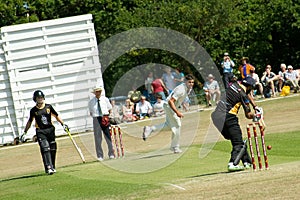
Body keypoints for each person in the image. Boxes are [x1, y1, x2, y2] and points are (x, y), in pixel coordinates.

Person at [211, 77, 262, 172]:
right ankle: (233, 163)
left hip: (216, 116)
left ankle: (247, 162)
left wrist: (255, 106)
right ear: (250, 87)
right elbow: (248, 115)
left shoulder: (233, 85)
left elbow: (246, 94)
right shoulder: (243, 95)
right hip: (228, 117)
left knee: (236, 139)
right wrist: (257, 115)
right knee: (238, 142)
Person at [142, 74, 195, 153]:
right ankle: (175, 147)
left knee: (169, 126)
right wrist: (177, 112)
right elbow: (171, 101)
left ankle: (150, 129)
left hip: (171, 106)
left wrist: (183, 105)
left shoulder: (188, 89)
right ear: (185, 82)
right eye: (189, 82)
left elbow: (180, 98)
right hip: (169, 106)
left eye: (192, 82)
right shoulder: (181, 89)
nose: (191, 84)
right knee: (177, 125)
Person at [22, 90, 68, 175]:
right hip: (40, 131)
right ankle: (48, 167)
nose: (40, 99)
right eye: (38, 98)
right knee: (45, 148)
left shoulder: (48, 107)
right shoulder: (33, 110)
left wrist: (63, 124)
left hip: (50, 129)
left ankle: (53, 166)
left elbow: (56, 116)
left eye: (41, 97)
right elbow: (30, 121)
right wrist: (25, 132)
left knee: (53, 148)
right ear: (35, 99)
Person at [88, 86, 114, 161]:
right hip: (96, 118)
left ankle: (111, 153)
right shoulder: (91, 102)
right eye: (96, 92)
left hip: (104, 117)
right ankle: (100, 155)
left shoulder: (105, 99)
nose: (98, 93)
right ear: (94, 93)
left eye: (99, 91)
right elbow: (91, 112)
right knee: (98, 138)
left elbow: (109, 109)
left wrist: (106, 117)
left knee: (108, 136)